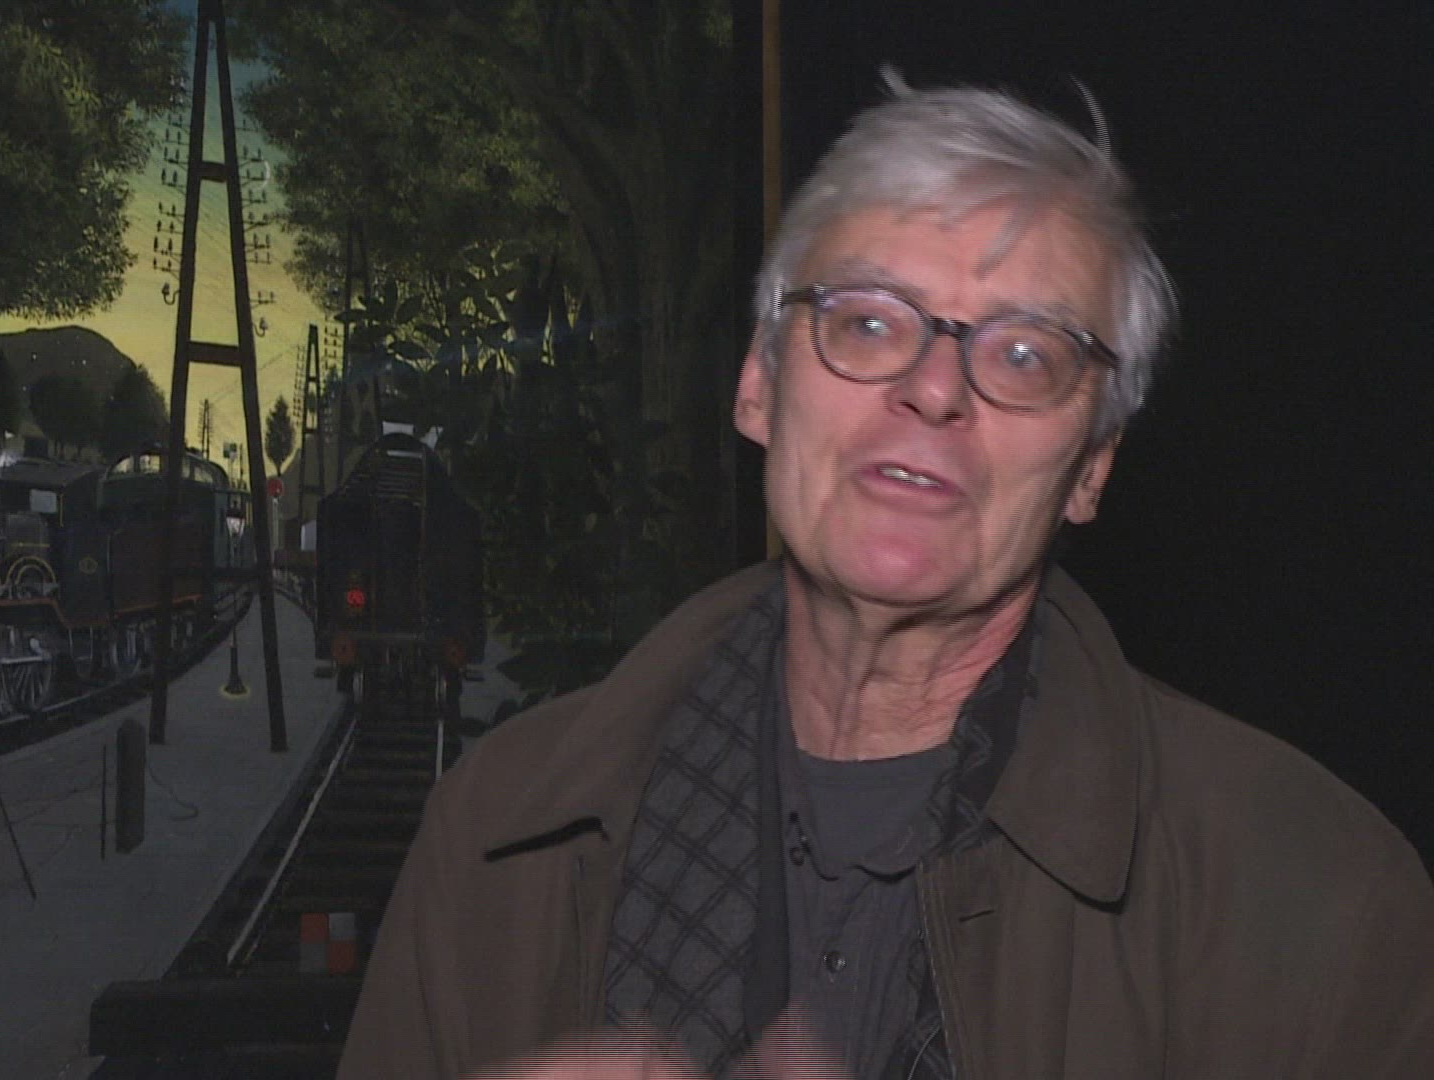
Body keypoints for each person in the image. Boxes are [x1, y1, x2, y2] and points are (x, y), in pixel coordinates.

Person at [338, 75, 1434, 1079]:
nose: (934, 388)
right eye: (866, 322)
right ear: (759, 383)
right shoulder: (498, 830)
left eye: (1024, 355)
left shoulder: (1319, 901)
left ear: (1092, 467)